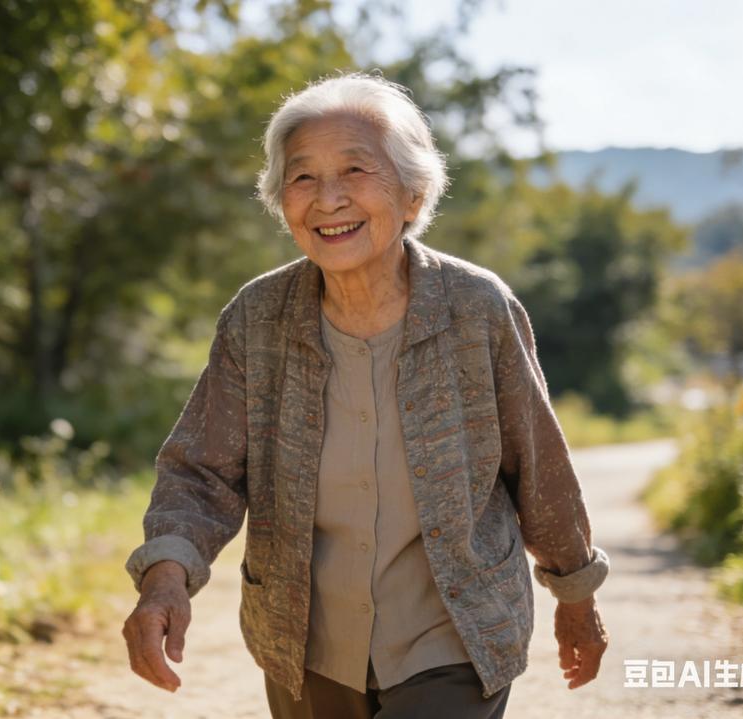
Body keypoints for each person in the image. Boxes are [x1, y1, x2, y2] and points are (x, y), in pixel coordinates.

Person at [120, 72, 611, 719]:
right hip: (305, 648)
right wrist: (164, 579)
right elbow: (200, 473)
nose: (328, 199)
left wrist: (576, 595)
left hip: (454, 638)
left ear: (412, 193)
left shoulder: (476, 308)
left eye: (355, 169)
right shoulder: (256, 318)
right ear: (280, 200)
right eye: (302, 177)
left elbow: (539, 466)